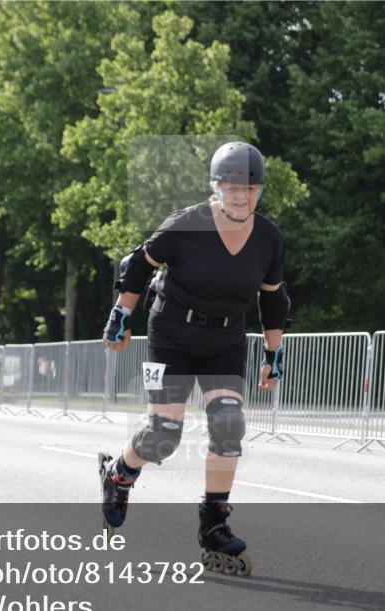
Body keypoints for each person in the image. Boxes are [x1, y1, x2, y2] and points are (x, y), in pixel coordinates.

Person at [99, 141, 290, 576]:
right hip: (173, 336)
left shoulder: (269, 239)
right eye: (232, 187)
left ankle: (214, 525)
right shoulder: (187, 224)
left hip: (225, 339)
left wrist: (273, 355)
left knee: (228, 425)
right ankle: (118, 474)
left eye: (250, 188)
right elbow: (138, 264)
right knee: (163, 434)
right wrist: (122, 314)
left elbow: (274, 301)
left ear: (260, 190)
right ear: (217, 187)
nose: (242, 196)